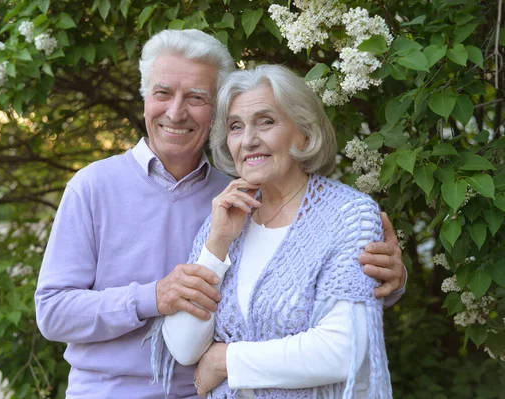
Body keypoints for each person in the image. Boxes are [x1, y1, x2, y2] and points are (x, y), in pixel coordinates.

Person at [35, 29, 403, 398]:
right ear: (145, 98)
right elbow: (52, 312)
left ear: (214, 112)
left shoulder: (236, 195)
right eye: (163, 93)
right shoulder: (93, 187)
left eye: (196, 97)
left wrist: (385, 280)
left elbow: (318, 297)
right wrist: (154, 296)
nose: (176, 112)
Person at [150, 65, 392, 398]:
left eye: (266, 122)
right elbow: (184, 347)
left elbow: (341, 350)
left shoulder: (348, 215)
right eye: (236, 127)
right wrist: (216, 246)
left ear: (303, 132)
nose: (248, 140)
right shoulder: (224, 219)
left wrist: (226, 361)